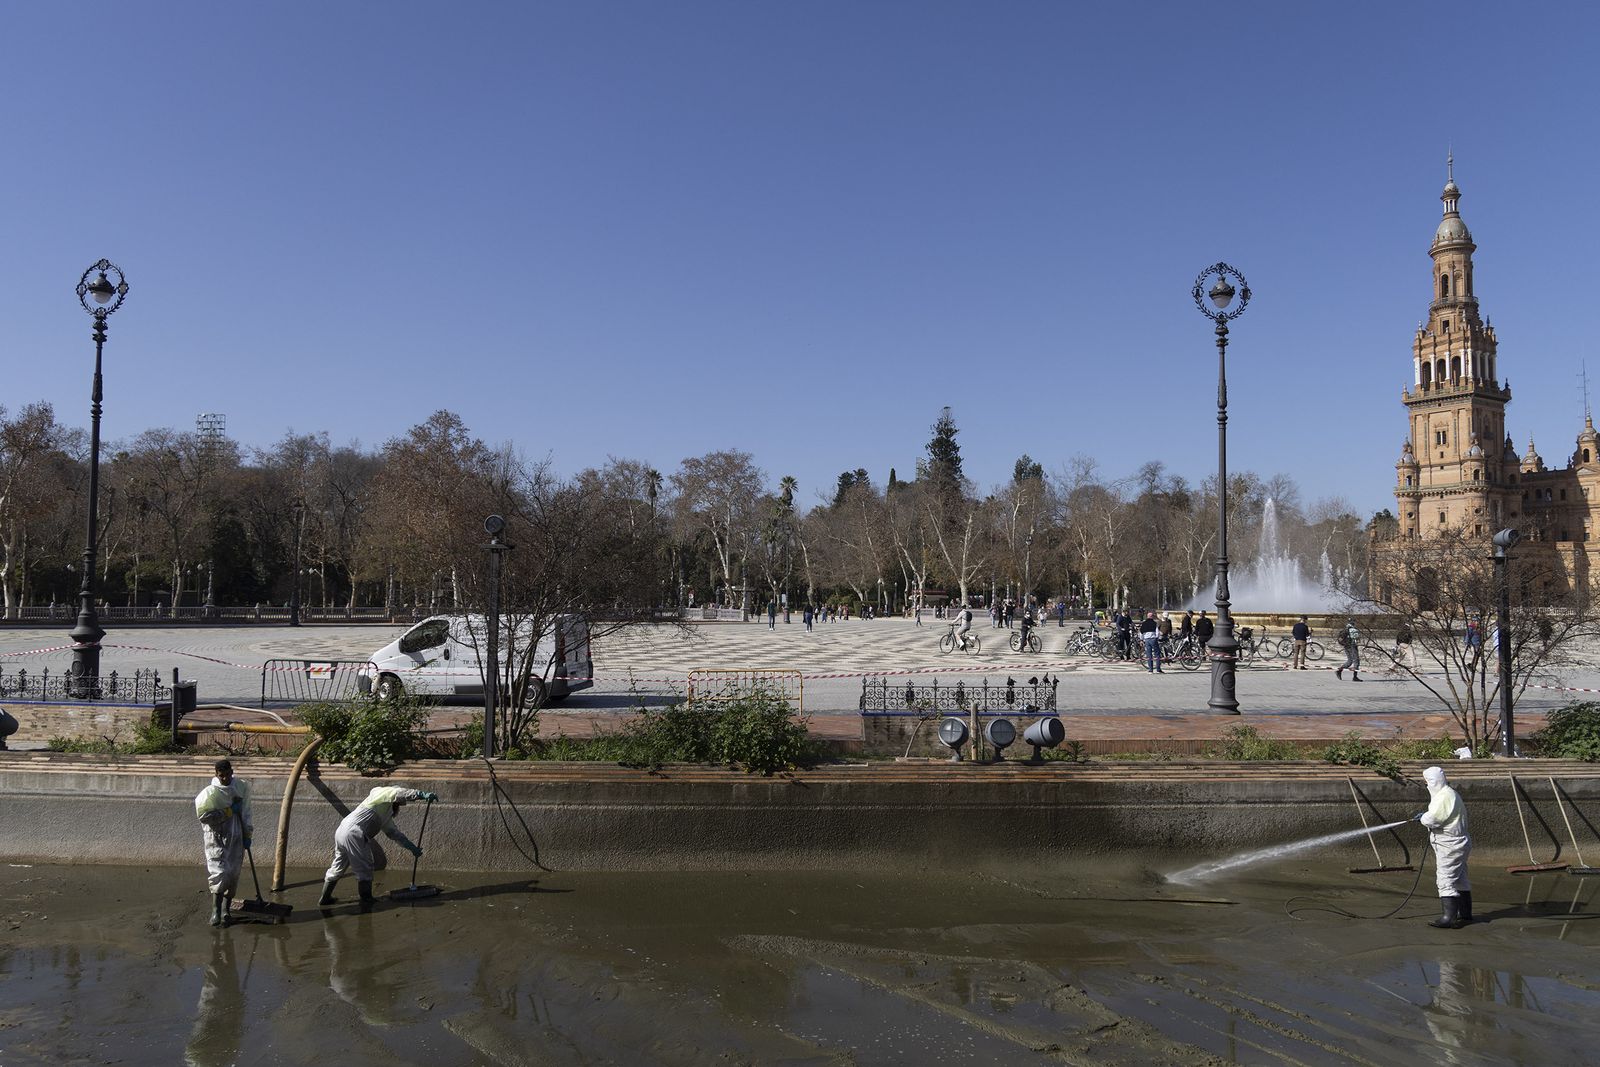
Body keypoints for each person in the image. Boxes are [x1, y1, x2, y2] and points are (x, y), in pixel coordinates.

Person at [319, 785, 439, 907]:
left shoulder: (385, 815)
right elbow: (396, 792)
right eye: (397, 802)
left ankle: (325, 898)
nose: (398, 806)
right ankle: (366, 899)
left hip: (342, 831)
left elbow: (395, 834)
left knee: (338, 865)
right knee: (365, 866)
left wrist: (412, 848)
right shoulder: (380, 794)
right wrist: (420, 794)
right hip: (354, 833)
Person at [193, 758, 252, 927]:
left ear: (231, 772)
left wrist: (248, 834)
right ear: (216, 775)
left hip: (236, 834)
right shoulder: (209, 793)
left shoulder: (241, 787)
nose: (224, 778)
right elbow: (204, 817)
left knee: (233, 873)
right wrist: (228, 811)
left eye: (227, 774)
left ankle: (226, 910)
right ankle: (215, 911)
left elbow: (247, 811)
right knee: (219, 872)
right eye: (221, 776)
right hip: (215, 836)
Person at [1412, 766, 1472, 928]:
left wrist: (1423, 818)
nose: (1426, 786)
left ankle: (1449, 918)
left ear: (1434, 781)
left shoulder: (1444, 796)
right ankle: (1465, 914)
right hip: (1458, 842)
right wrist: (1425, 816)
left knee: (1445, 880)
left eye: (1427, 782)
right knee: (1460, 878)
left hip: (1450, 845)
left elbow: (1434, 819)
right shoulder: (1448, 794)